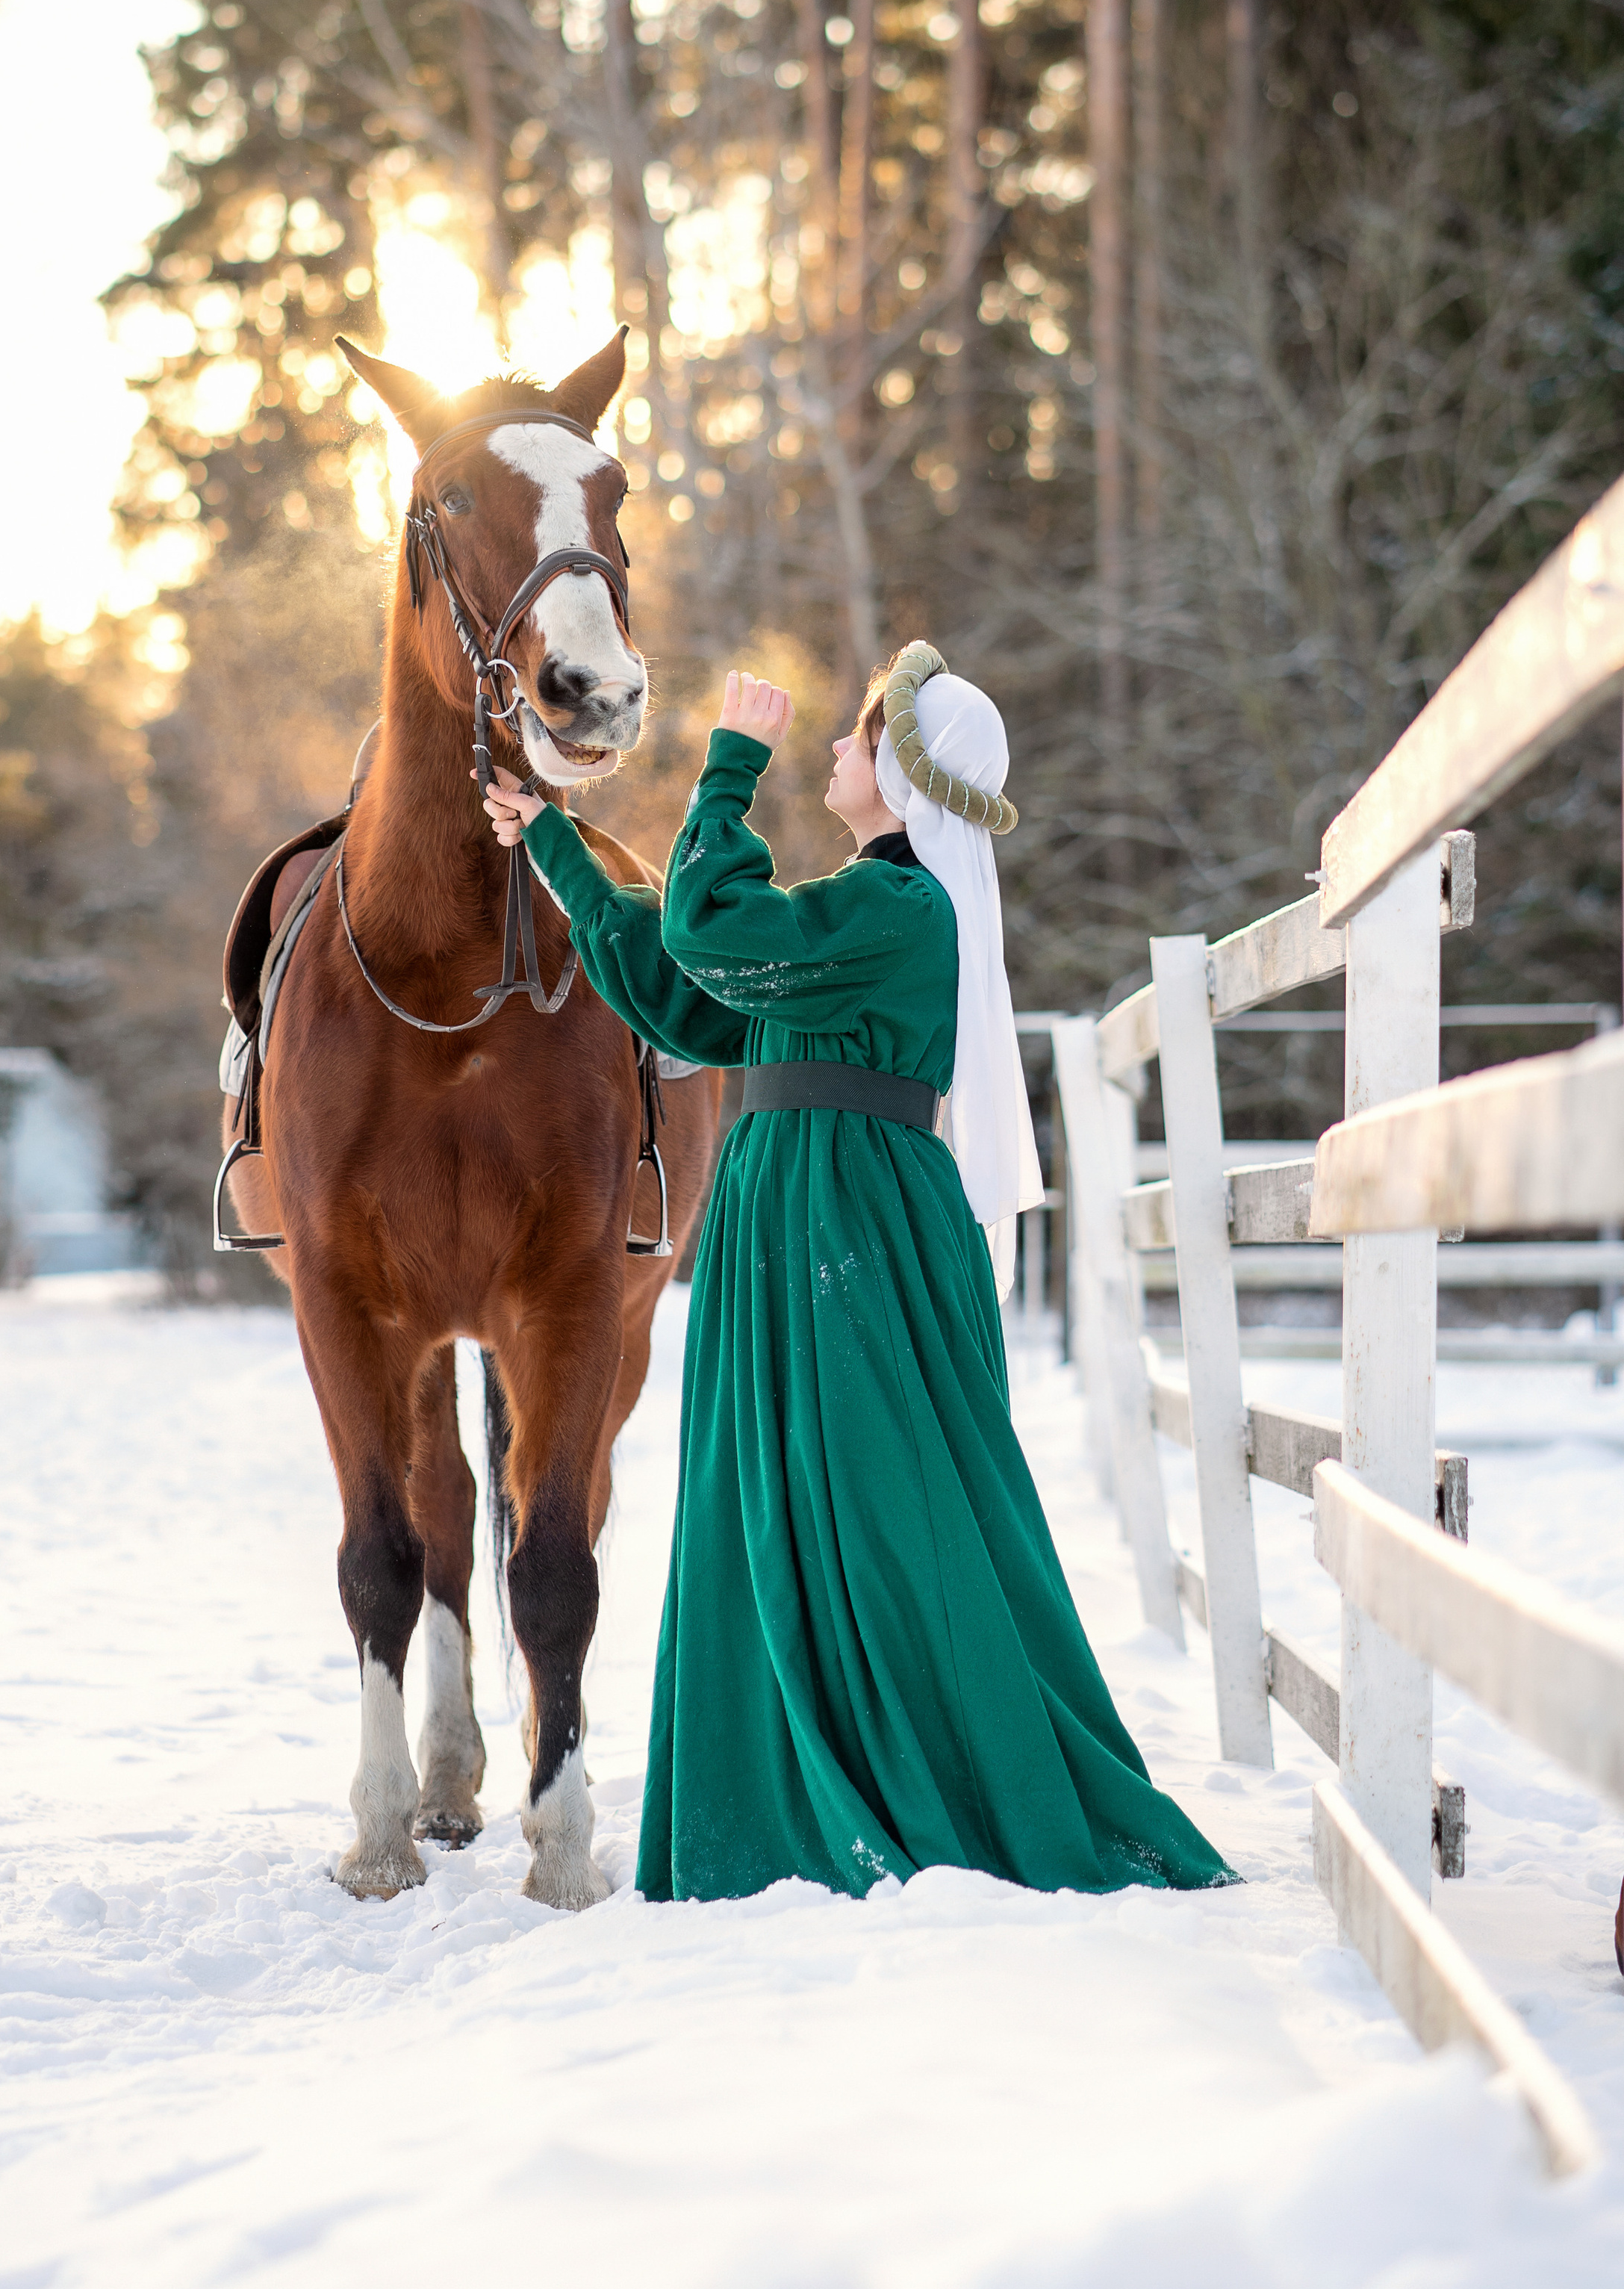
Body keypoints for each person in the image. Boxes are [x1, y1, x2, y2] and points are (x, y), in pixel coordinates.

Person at [482, 645, 1234, 1906]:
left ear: (901, 772)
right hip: (792, 1212)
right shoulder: (855, 912)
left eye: (853, 739)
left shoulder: (902, 913)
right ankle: (786, 1769)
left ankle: (927, 1771)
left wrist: (729, 764)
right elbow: (684, 989)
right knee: (776, 1496)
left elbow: (714, 921)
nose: (832, 753)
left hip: (850, 1224)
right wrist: (553, 843)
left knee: (884, 1502)